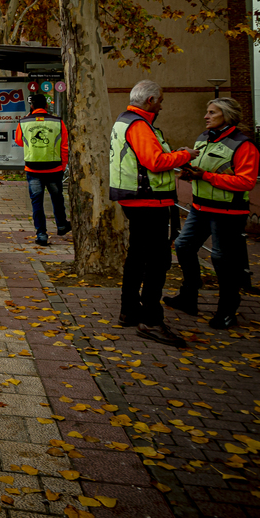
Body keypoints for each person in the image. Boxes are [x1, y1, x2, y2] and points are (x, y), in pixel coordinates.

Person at [109, 80, 194, 347]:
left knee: (136, 256)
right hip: (149, 201)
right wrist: (184, 155)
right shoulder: (140, 125)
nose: (162, 106)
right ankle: (151, 320)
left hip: (133, 199)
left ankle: (129, 310)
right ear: (150, 101)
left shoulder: (124, 121)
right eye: (160, 101)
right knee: (156, 262)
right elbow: (155, 162)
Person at [165, 98, 257, 330]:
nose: (206, 116)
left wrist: (204, 176)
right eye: (207, 112)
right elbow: (205, 169)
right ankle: (188, 297)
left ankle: (227, 310)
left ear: (226, 116)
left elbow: (245, 182)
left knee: (221, 259)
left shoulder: (243, 145)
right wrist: (189, 174)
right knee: (184, 246)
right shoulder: (204, 138)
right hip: (200, 207)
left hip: (228, 211)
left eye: (212, 112)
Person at [15, 93, 71, 246]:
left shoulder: (24, 122)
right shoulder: (58, 122)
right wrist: (63, 165)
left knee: (37, 203)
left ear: (32, 106)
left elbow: (19, 141)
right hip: (54, 168)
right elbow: (64, 146)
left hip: (33, 168)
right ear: (46, 106)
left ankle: (41, 234)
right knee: (57, 198)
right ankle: (61, 224)